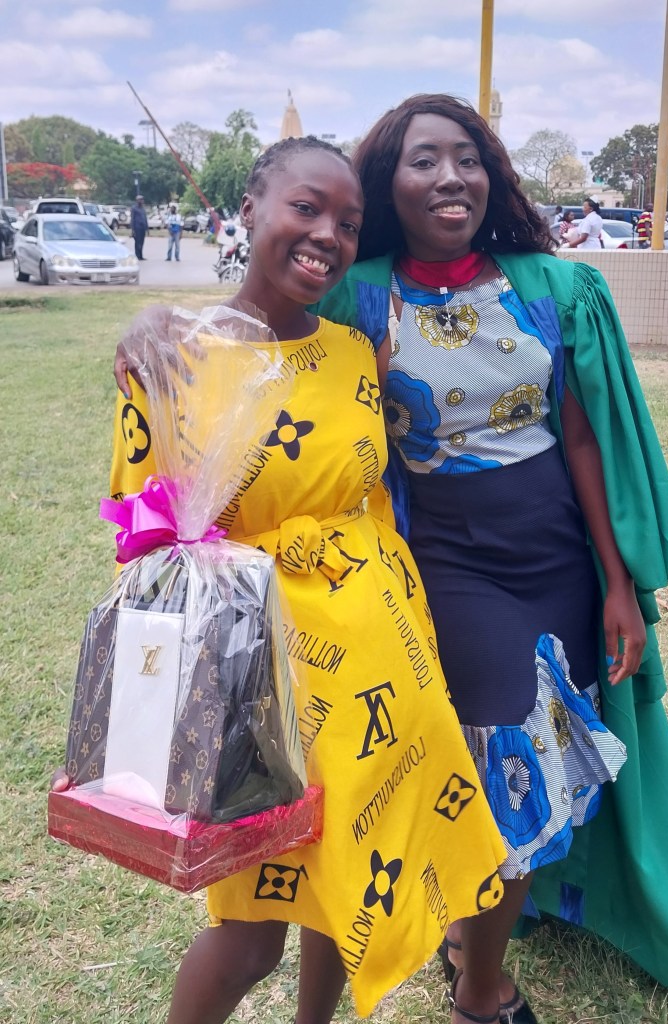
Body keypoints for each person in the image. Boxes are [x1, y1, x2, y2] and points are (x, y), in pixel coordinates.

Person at [114, 95, 668, 1023]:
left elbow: (574, 437)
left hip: (490, 586)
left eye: (468, 157)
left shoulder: (529, 295)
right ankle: (479, 979)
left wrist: (616, 579)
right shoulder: (345, 303)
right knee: (477, 767)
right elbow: (247, 341)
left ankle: (473, 950)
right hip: (385, 591)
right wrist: (160, 323)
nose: (451, 177)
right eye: (423, 160)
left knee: (454, 803)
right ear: (388, 185)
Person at [62, 136, 508, 1024]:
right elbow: (143, 534)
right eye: (306, 208)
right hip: (254, 664)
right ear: (250, 211)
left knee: (343, 888)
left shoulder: (356, 350)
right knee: (250, 934)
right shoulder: (171, 354)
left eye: (348, 222)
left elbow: (374, 498)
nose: (327, 235)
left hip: (374, 655)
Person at [130, 195, 148, 260]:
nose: (142, 201)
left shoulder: (143, 209)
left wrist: (147, 228)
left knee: (142, 242)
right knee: (137, 242)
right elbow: (132, 219)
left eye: (142, 199)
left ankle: (140, 255)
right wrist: (132, 230)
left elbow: (145, 218)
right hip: (137, 228)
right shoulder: (134, 208)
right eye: (141, 200)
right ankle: (137, 255)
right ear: (138, 200)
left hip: (143, 228)